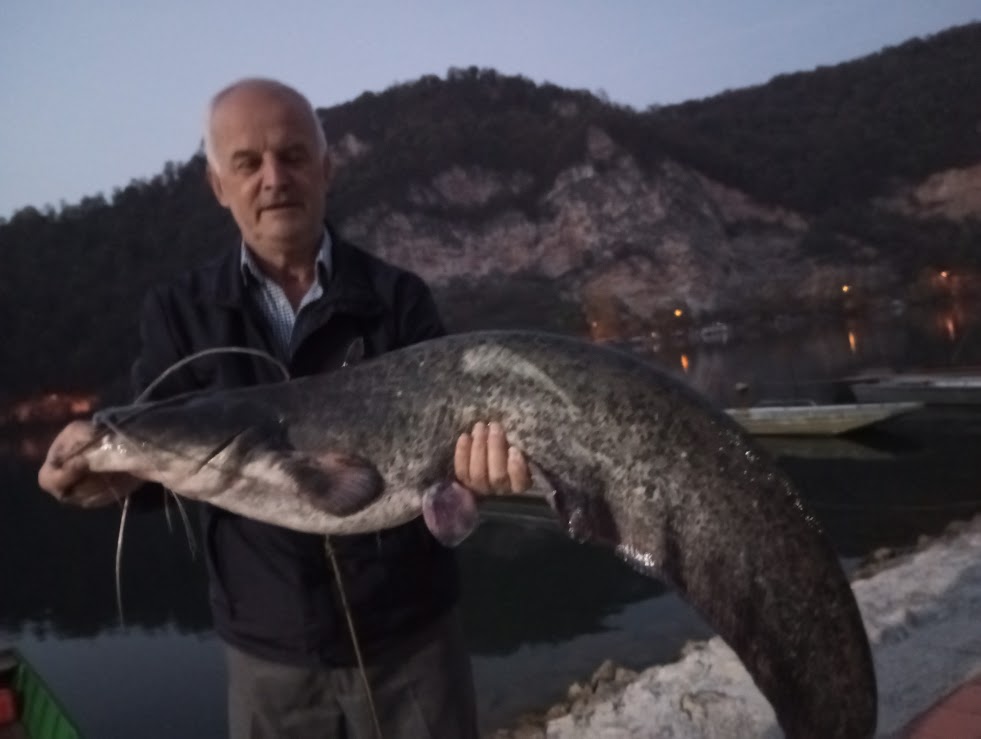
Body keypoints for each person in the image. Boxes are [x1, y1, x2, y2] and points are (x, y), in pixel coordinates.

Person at [37, 77, 532, 738]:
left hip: (411, 641)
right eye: (247, 163)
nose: (274, 178)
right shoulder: (178, 312)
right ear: (219, 186)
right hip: (268, 658)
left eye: (293, 156)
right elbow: (154, 457)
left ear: (326, 169)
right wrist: (99, 481)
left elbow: (455, 455)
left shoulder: (398, 297)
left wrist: (479, 475)